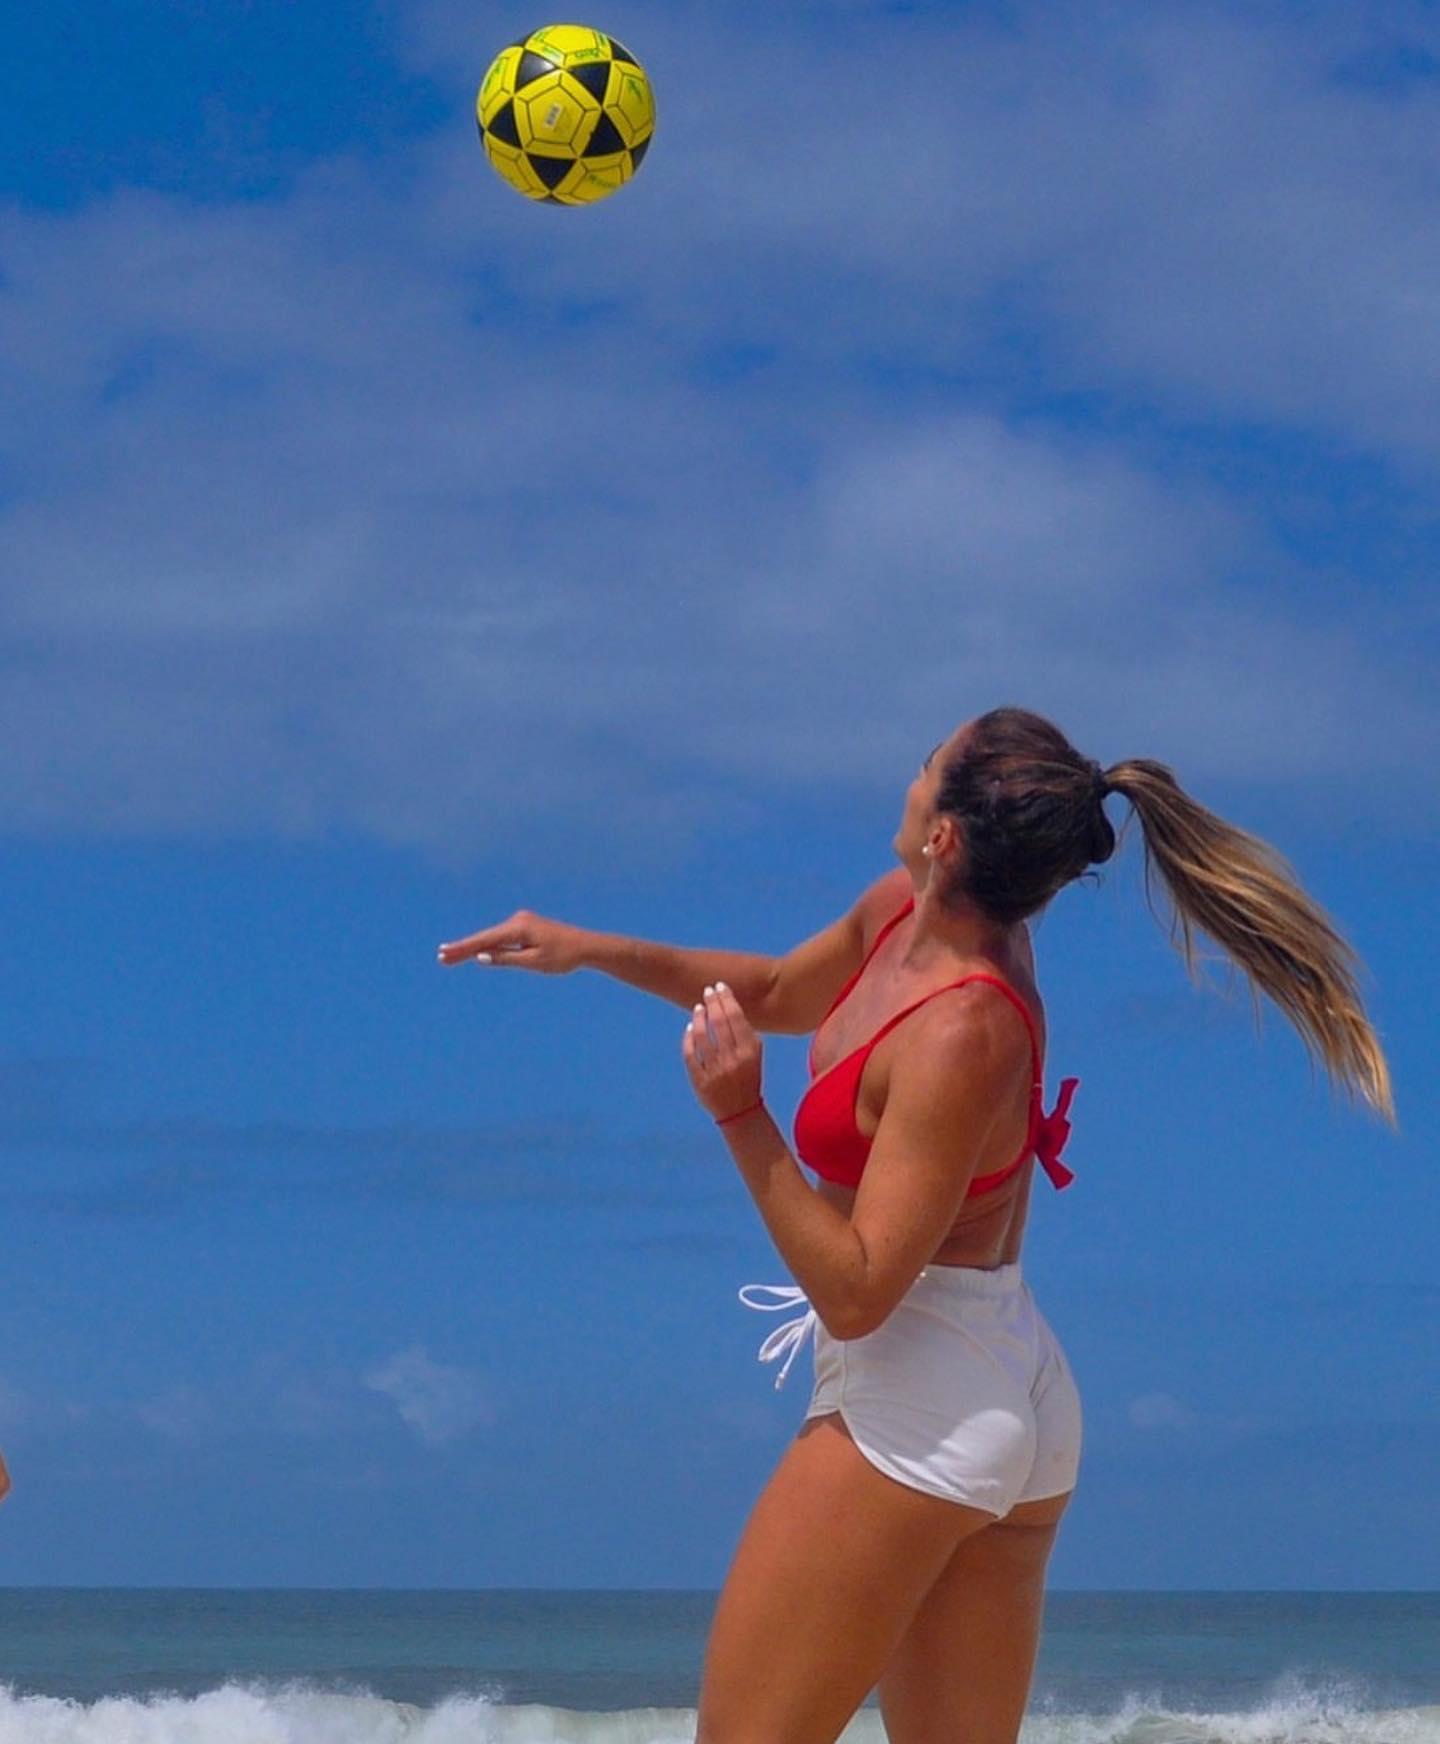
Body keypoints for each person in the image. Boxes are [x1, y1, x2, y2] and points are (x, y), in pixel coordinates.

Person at [436, 705, 1396, 1744]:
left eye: (925, 765)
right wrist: (587, 948)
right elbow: (769, 989)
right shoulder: (902, 913)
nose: (907, 774)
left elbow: (856, 1293)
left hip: (922, 1392)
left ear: (945, 834)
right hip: (984, 1370)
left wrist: (738, 1113)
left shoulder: (964, 1029)